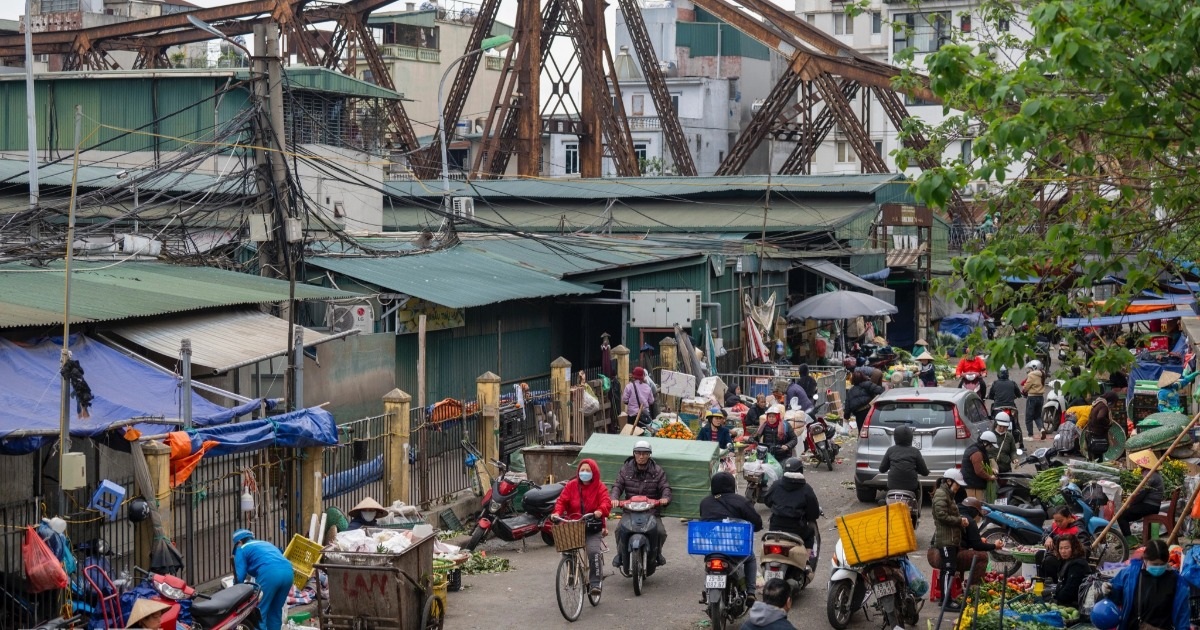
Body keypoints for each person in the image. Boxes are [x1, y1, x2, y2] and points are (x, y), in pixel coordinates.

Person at [700, 472, 763, 606]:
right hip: (734, 548)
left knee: (709, 564)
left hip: (711, 548)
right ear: (732, 485)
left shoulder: (705, 502)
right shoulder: (741, 501)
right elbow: (756, 523)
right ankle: (751, 592)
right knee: (750, 557)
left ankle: (707, 591)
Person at [552, 458, 612, 597]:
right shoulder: (571, 485)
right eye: (582, 470)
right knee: (567, 550)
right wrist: (556, 513)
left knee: (593, 552)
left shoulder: (600, 487)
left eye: (588, 470)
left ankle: (595, 583)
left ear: (594, 472)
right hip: (574, 526)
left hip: (592, 526)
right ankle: (572, 574)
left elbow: (606, 502)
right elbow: (561, 501)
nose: (584, 473)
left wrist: (600, 511)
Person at [611, 440, 671, 568]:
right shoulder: (625, 469)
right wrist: (614, 498)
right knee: (618, 530)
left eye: (645, 453)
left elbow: (665, 487)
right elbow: (617, 485)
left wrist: (665, 498)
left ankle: (657, 553)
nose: (641, 456)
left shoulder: (657, 470)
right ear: (634, 454)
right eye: (638, 453)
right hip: (630, 511)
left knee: (660, 532)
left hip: (651, 511)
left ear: (649, 455)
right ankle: (620, 554)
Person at [1108, 538, 1191, 630]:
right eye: (1155, 564)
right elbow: (1116, 599)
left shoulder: (1178, 583)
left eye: (1162, 564)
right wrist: (1109, 591)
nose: (1158, 567)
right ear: (1145, 560)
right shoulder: (1130, 574)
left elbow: (1182, 615)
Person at [764, 458, 820, 569]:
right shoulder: (806, 489)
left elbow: (767, 500)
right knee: (810, 535)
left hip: (775, 528)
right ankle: (807, 563)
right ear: (801, 471)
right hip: (797, 530)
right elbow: (813, 513)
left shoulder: (776, 485)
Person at [232, 529, 294, 630]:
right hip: (288, 572)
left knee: (259, 612)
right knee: (275, 611)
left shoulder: (241, 548)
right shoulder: (265, 543)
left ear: (239, 542)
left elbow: (240, 576)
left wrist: (234, 588)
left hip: (270, 574)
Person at [932, 469, 969, 611]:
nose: (958, 487)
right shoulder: (942, 494)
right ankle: (947, 602)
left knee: (949, 569)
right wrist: (959, 521)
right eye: (957, 484)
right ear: (949, 481)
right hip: (946, 539)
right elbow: (941, 516)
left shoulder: (948, 494)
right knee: (948, 569)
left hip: (951, 538)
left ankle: (945, 600)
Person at [878, 425, 929, 513]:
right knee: (918, 490)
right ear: (911, 438)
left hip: (892, 486)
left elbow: (882, 469)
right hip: (911, 487)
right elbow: (924, 472)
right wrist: (925, 471)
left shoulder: (891, 450)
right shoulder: (915, 451)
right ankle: (917, 510)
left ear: (895, 438)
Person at [1117, 456, 1164, 538]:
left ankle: (1130, 541)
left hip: (1150, 506)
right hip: (1152, 505)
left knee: (1121, 516)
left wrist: (1131, 503)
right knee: (1126, 513)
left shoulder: (1151, 476)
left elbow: (1141, 493)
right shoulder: (1154, 474)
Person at [1037, 535, 1089, 607]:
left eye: (1066, 548)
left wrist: (1055, 599)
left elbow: (1069, 592)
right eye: (1060, 548)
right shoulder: (1066, 560)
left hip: (1075, 602)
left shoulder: (1077, 565)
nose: (1063, 551)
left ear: (1074, 548)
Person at [960, 431, 998, 501]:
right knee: (976, 506)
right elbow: (979, 471)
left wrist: (991, 469)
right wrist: (989, 477)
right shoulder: (977, 453)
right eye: (991, 445)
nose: (991, 448)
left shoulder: (976, 448)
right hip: (973, 485)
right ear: (985, 443)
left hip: (972, 483)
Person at [1086, 392, 1116, 461]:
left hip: (1091, 433)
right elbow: (1100, 417)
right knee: (1098, 457)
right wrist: (1109, 422)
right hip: (1097, 434)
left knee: (1092, 455)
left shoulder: (1097, 404)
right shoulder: (1103, 406)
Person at [1023, 360, 1048, 438]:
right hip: (1040, 397)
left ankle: (1030, 435)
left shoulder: (1032, 375)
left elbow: (1026, 387)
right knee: (1037, 416)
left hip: (1032, 397)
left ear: (1034, 367)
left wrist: (1023, 389)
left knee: (1028, 417)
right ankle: (1041, 429)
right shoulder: (1042, 374)